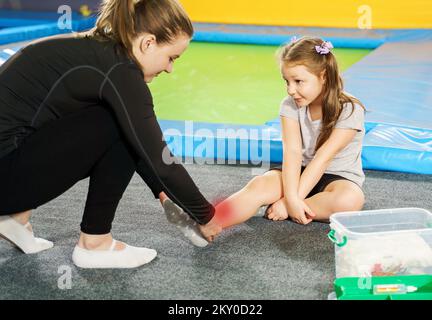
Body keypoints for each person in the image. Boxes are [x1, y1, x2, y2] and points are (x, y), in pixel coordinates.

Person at [0, 0, 220, 269]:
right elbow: (160, 161)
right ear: (148, 43)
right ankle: (95, 243)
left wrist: (163, 195)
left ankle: (16, 219)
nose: (170, 68)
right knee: (114, 121)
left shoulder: (100, 52)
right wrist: (206, 215)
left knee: (113, 118)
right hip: (5, 173)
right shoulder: (121, 72)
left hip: (9, 164)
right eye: (171, 57)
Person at [170, 36, 366, 241]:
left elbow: (323, 158)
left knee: (349, 201)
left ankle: (295, 206)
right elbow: (292, 153)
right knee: (259, 185)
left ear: (323, 76)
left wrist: (287, 202)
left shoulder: (350, 109)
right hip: (299, 173)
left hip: (338, 180)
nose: (291, 90)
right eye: (287, 81)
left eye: (298, 81)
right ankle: (207, 223)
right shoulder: (290, 105)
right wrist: (291, 196)